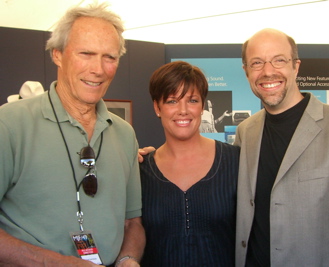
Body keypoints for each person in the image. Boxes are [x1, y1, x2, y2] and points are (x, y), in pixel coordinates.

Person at [0, 3, 144, 266]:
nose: (98, 69)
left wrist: (128, 258)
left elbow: (132, 223)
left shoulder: (124, 134)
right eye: (86, 53)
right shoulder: (8, 124)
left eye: (109, 57)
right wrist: (53, 262)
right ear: (57, 54)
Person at [235, 28, 329, 266]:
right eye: (257, 63)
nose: (268, 71)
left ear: (296, 66)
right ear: (246, 71)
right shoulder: (245, 132)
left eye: (279, 60)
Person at [139, 61, 239, 266]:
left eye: (192, 100)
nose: (183, 110)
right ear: (157, 107)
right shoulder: (140, 170)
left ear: (203, 106)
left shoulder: (235, 161)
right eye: (172, 101)